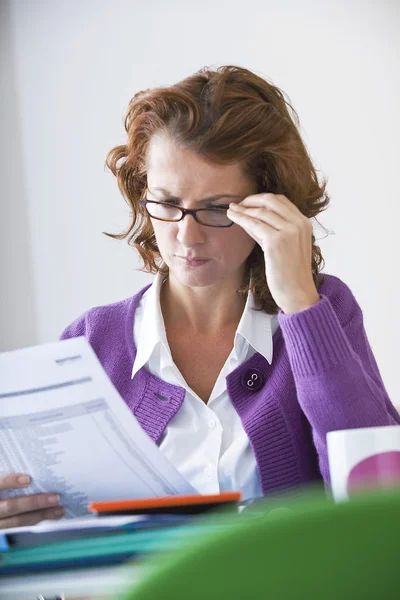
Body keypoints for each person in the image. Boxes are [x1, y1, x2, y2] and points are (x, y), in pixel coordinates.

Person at [2, 65, 399, 529]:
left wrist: (299, 304)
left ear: (271, 203)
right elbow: (56, 539)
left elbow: (380, 497)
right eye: (167, 203)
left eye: (216, 209)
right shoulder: (89, 343)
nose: (186, 237)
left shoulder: (323, 312)